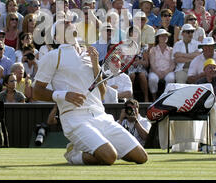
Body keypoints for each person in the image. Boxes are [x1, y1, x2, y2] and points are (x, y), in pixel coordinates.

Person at [33, 19, 148, 165]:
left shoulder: (90, 54)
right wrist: (64, 95)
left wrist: (95, 65)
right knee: (109, 157)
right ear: (57, 37)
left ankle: (95, 147)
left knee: (141, 157)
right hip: (75, 119)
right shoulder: (53, 56)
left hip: (100, 115)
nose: (68, 21)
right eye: (62, 23)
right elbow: (36, 92)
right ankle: (74, 155)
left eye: (69, 21)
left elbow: (102, 92)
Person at [148, 29, 176, 101]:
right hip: (155, 71)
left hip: (168, 71)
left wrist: (166, 72)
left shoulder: (171, 50)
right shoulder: (153, 50)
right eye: (162, 36)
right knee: (152, 79)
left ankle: (166, 98)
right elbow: (152, 63)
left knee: (171, 78)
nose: (164, 37)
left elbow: (173, 64)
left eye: (166, 36)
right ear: (158, 38)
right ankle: (154, 98)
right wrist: (157, 72)